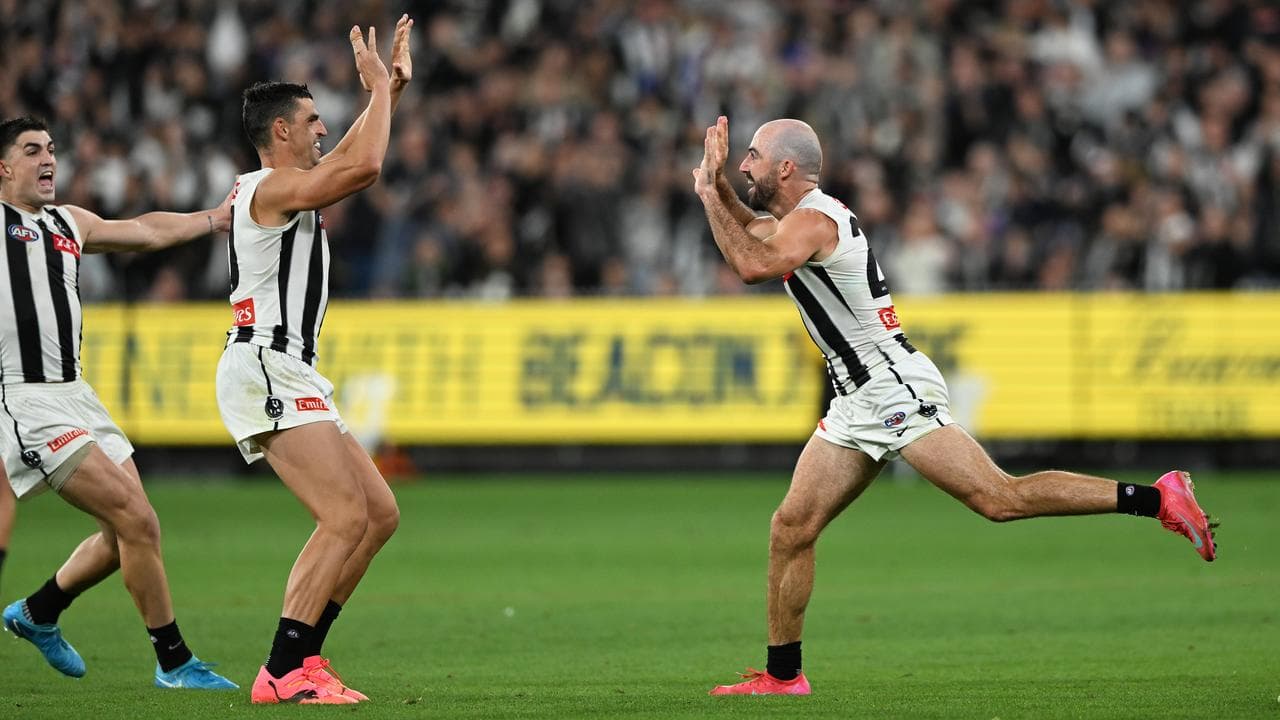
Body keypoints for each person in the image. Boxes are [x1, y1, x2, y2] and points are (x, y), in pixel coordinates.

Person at [691, 116, 1217, 696]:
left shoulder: (815, 220)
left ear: (785, 167)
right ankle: (784, 676)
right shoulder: (799, 220)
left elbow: (751, 264)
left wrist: (709, 194)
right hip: (855, 395)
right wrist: (715, 187)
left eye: (752, 157)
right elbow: (754, 236)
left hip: (891, 386)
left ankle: (1159, 498)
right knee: (791, 527)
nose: (744, 166)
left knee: (998, 499)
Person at [0, 115, 237, 689]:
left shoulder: (68, 222)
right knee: (137, 518)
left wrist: (214, 219)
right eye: (32, 151)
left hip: (78, 393)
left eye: (51, 148)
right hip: (28, 402)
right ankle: (175, 662)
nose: (47, 159)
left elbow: (146, 231)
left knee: (126, 532)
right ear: (3, 168)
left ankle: (38, 612)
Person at [216, 16, 412, 705]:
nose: (323, 130)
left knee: (378, 513)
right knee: (343, 518)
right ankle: (280, 671)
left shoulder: (284, 185)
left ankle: (308, 656)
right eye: (312, 121)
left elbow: (349, 156)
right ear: (281, 133)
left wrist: (383, 95)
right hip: (266, 365)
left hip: (289, 368)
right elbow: (366, 167)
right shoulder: (268, 188)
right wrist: (378, 91)